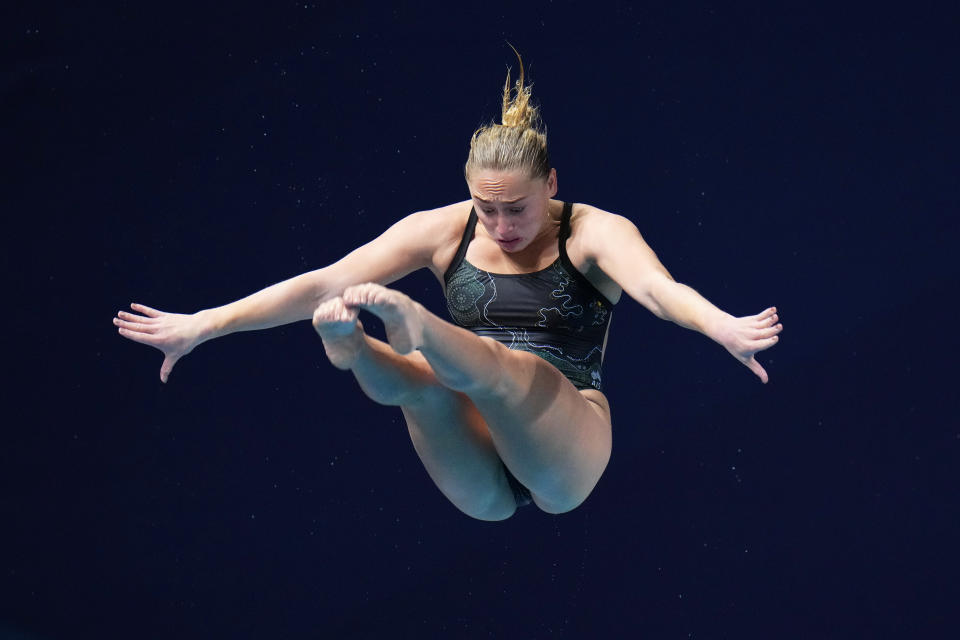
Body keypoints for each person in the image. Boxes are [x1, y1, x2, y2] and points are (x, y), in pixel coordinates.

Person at [114, 56, 782, 521]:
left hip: (567, 439)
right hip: (475, 453)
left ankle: (415, 326)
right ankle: (353, 349)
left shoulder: (594, 231)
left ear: (551, 185)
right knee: (416, 384)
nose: (500, 224)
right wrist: (207, 323)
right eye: (485, 208)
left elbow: (659, 291)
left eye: (516, 208)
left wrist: (720, 324)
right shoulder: (439, 231)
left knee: (503, 369)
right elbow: (323, 280)